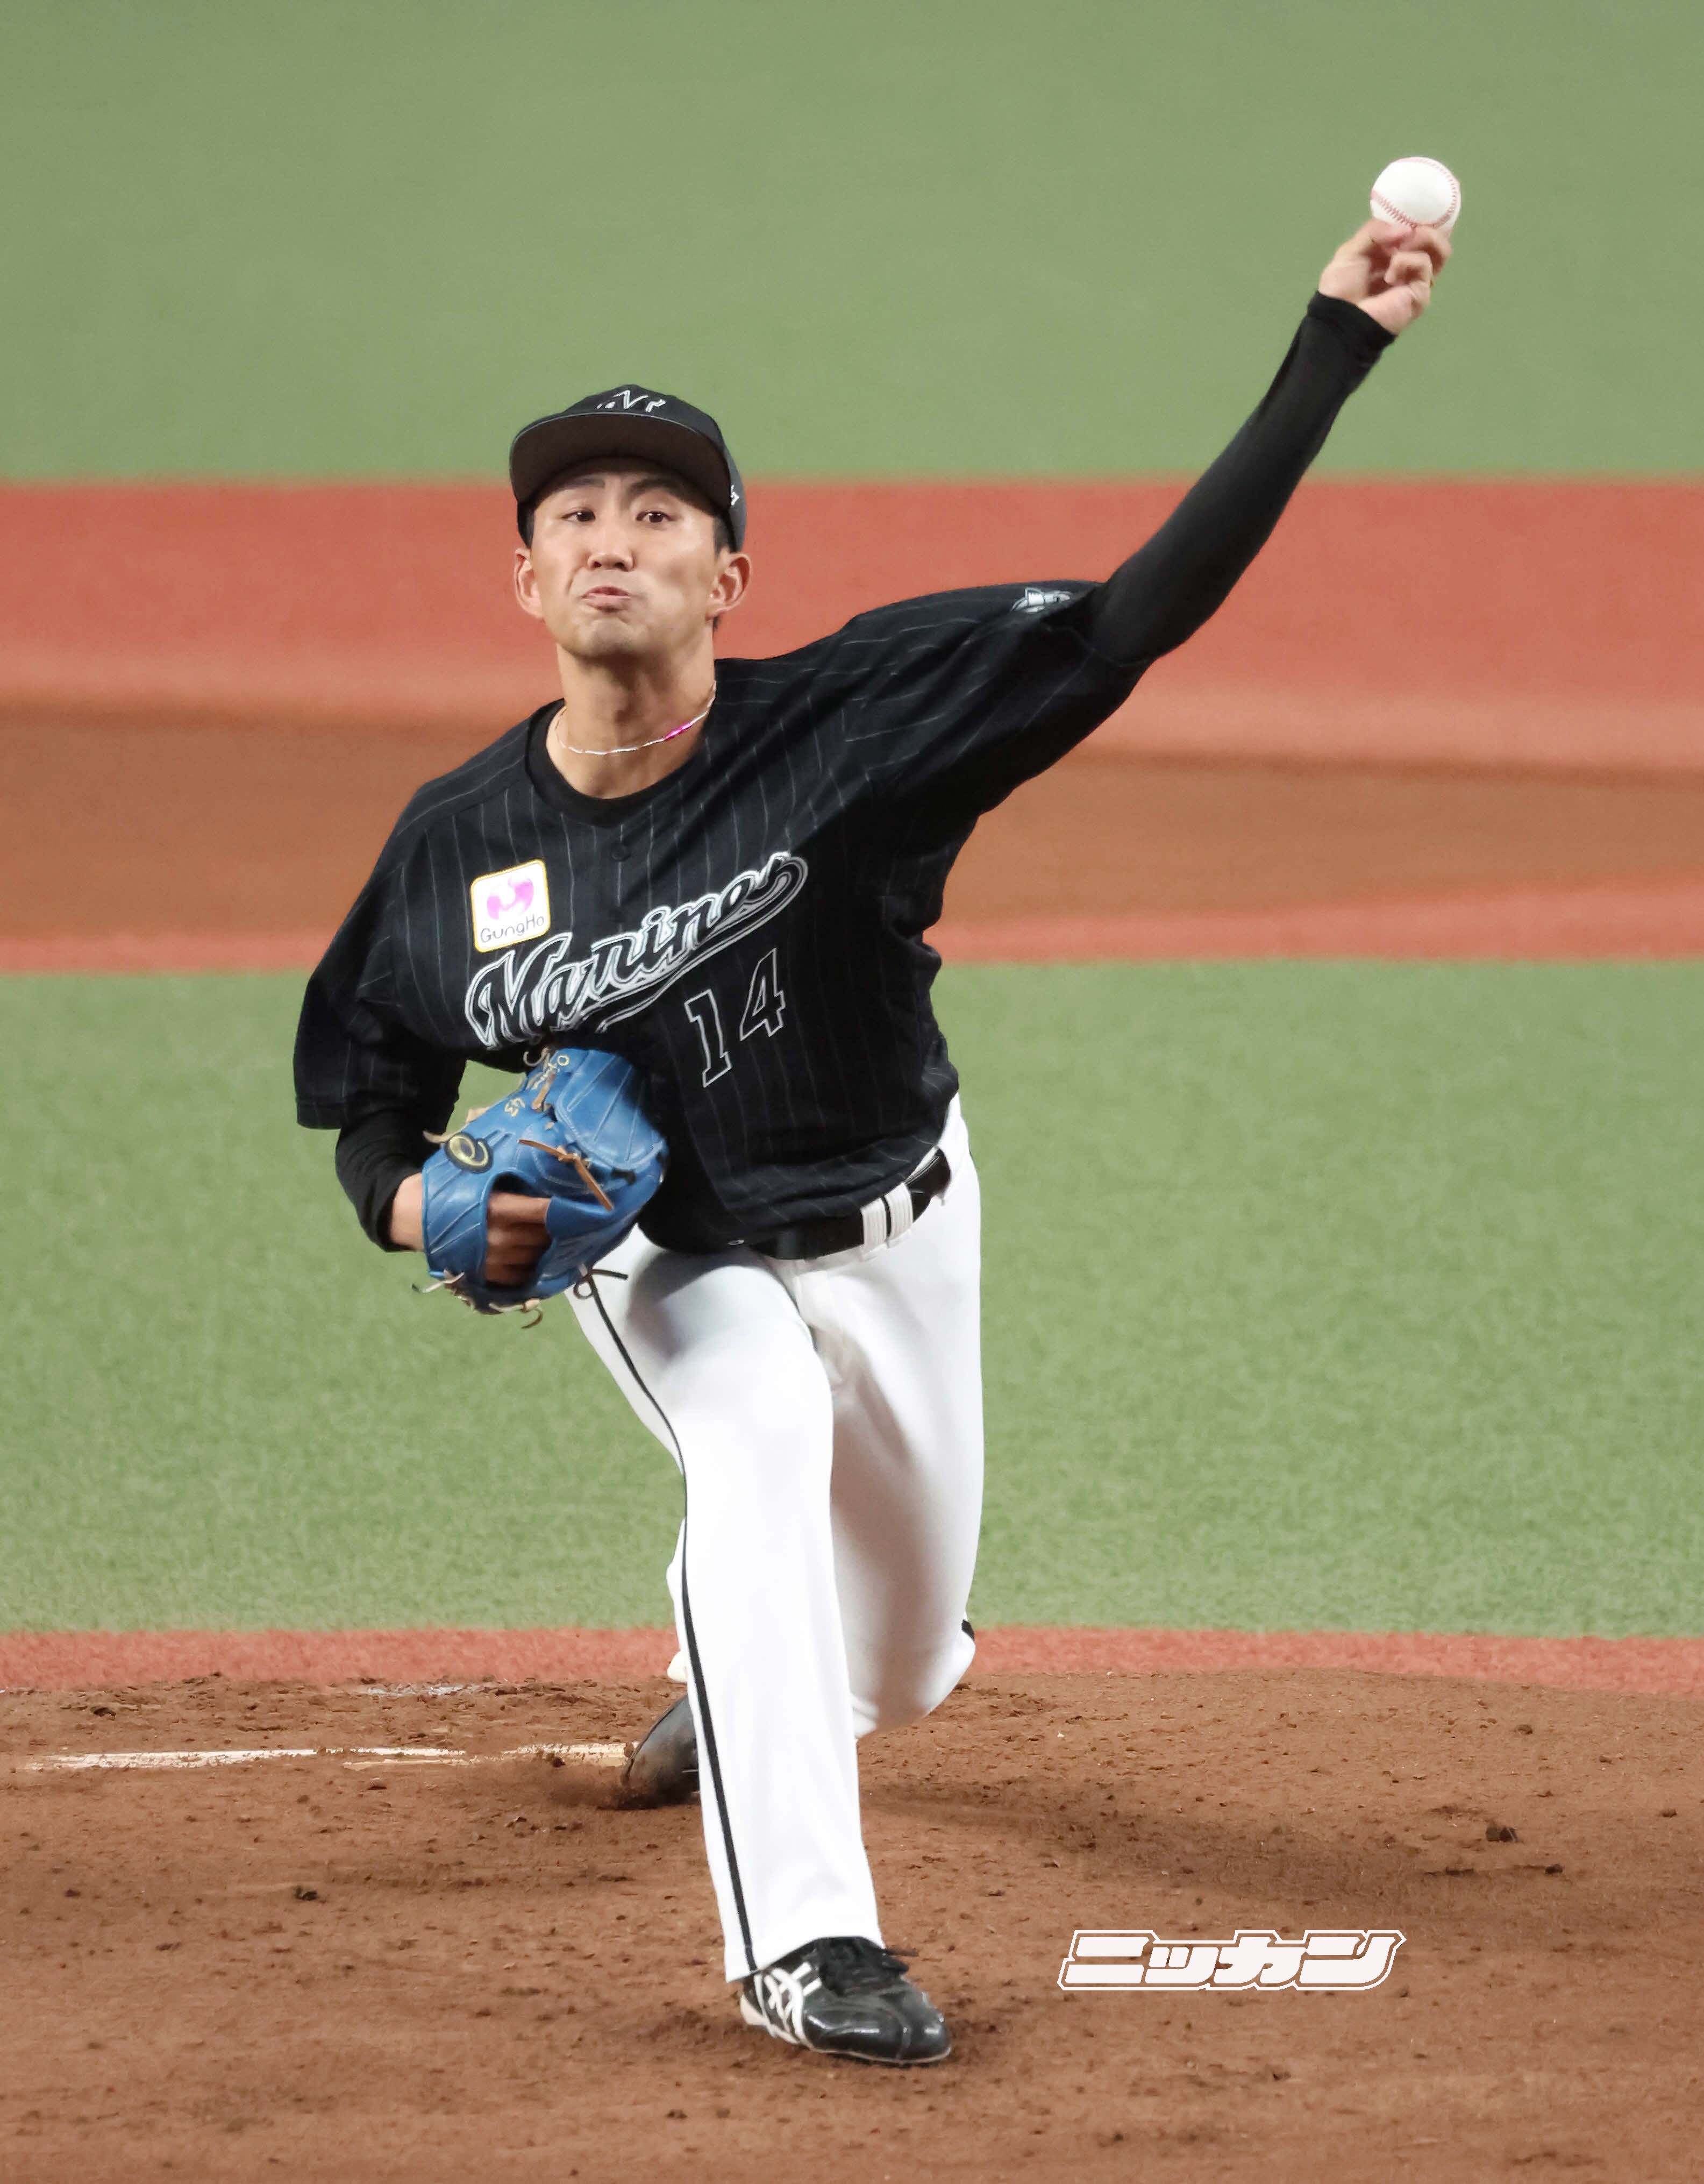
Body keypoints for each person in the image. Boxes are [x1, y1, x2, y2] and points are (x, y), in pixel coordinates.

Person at [295, 216, 1449, 2066]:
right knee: (752, 1440)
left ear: (728, 575)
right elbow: (372, 1092)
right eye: (573, 512)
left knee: (897, 1666)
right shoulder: (456, 845)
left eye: (658, 512)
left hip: (903, 1218)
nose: (611, 536)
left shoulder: (858, 722)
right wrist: (415, 1198)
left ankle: (744, 1681)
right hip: (674, 1253)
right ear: (526, 576)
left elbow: (1135, 616)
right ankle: (804, 1946)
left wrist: (1336, 341)